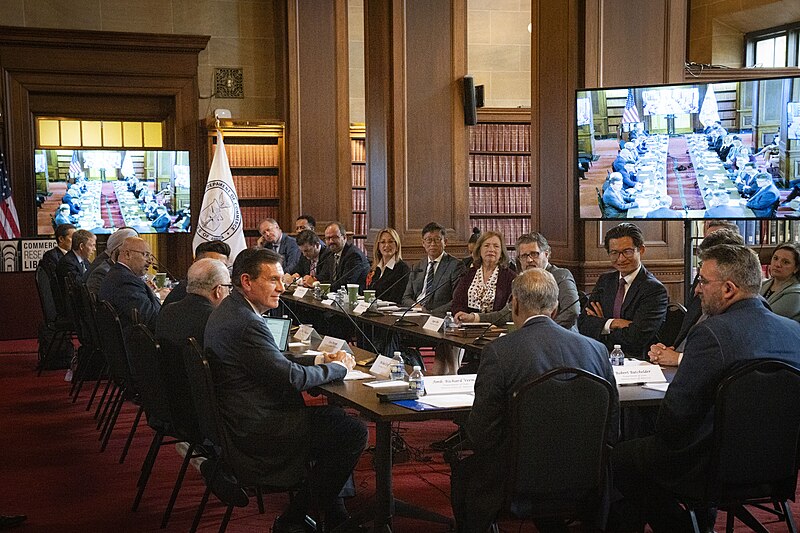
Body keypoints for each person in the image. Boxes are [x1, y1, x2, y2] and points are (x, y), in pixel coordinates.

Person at [611, 244, 800, 532]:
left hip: (710, 469)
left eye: (702, 281)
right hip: (778, 468)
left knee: (621, 459)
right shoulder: (795, 333)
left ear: (728, 289)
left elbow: (676, 417)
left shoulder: (711, 334)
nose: (697, 290)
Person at [204, 248, 367, 533]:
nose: (282, 287)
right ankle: (296, 516)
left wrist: (318, 359)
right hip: (261, 427)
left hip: (243, 417)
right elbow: (290, 379)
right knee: (352, 431)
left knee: (335, 421)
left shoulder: (232, 310)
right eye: (273, 280)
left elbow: (270, 362)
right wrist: (339, 369)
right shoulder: (246, 323)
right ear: (246, 281)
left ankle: (334, 513)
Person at [450, 268, 619, 533]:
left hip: (516, 480)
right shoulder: (597, 350)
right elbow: (612, 429)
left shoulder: (500, 352)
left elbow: (482, 435)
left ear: (514, 304)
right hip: (586, 476)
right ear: (555, 307)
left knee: (464, 469)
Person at [648, 228, 744, 367]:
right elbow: (686, 338)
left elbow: (723, 359)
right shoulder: (702, 287)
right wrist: (667, 353)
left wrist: (679, 358)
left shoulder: (741, 311)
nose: (698, 288)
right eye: (701, 264)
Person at [578, 223, 668, 359]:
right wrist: (614, 323)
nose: (620, 259)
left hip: (638, 361)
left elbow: (636, 338)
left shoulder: (654, 290)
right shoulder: (605, 281)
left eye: (627, 252)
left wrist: (602, 325)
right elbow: (583, 324)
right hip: (601, 356)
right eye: (614, 253)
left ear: (641, 250)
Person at [458, 232, 581, 331]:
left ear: (547, 254)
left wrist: (544, 332)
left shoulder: (561, 276)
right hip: (529, 339)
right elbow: (506, 314)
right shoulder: (522, 280)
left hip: (562, 339)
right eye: (524, 256)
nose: (529, 260)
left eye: (534, 254)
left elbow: (572, 311)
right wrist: (474, 317)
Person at [98, 237, 166, 332]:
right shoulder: (125, 281)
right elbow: (151, 320)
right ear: (127, 254)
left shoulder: (119, 274)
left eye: (150, 256)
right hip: (134, 342)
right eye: (145, 255)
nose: (150, 261)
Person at [401, 221, 466, 316]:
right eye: (428, 240)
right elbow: (406, 297)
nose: (433, 244)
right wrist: (416, 307)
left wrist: (432, 313)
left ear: (445, 242)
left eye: (437, 239)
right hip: (416, 313)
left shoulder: (455, 266)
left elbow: (457, 300)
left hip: (438, 316)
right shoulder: (418, 266)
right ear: (423, 243)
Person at [451, 231, 516, 319]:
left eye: (496, 246)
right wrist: (461, 315)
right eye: (486, 245)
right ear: (479, 250)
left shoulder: (510, 277)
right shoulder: (468, 274)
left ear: (501, 252)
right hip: (467, 325)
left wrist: (475, 318)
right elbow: (457, 302)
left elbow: (509, 311)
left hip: (496, 327)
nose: (491, 249)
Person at [162, 240, 231, 306]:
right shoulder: (181, 293)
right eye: (210, 264)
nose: (216, 270)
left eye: (222, 266)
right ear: (195, 263)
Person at [320, 221, 370, 291]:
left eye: (335, 237)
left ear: (344, 238)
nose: (331, 241)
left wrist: (317, 284)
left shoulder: (354, 255)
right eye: (328, 238)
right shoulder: (330, 254)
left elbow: (345, 284)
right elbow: (324, 276)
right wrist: (312, 279)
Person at [365, 227, 410, 304]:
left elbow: (396, 298)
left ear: (396, 246)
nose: (386, 245)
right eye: (382, 242)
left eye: (390, 242)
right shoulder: (375, 268)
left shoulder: (402, 269)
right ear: (378, 246)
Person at [760, 243, 800, 323]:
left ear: (796, 268)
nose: (777, 264)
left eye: (785, 262)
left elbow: (765, 319)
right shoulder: (763, 284)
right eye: (775, 258)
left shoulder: (796, 294)